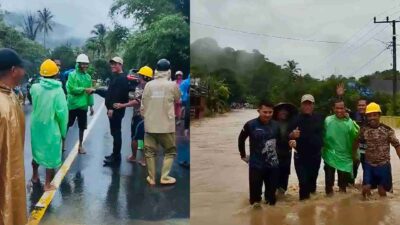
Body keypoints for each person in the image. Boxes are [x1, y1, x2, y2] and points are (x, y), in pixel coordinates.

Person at [141, 59, 181, 185]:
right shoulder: (172, 85)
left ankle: (152, 178)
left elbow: (144, 104)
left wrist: (146, 118)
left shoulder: (148, 85)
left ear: (156, 70)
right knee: (170, 151)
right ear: (169, 71)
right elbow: (178, 98)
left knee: (149, 152)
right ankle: (164, 177)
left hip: (150, 125)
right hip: (166, 126)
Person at [0, 48, 27, 225]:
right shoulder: (3, 102)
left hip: (12, 174)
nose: (24, 72)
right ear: (13, 70)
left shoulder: (10, 95)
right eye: (22, 68)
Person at [238, 100, 280, 207]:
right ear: (258, 111)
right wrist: (243, 155)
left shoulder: (276, 125)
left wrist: (291, 141)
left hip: (272, 165)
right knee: (255, 201)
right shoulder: (250, 124)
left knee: (271, 200)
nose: (267, 115)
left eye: (270, 112)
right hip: (256, 165)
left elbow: (281, 142)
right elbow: (241, 139)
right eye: (265, 112)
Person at [358, 102, 400, 198]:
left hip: (383, 165)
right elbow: (357, 142)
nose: (372, 117)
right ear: (366, 116)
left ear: (379, 115)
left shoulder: (387, 130)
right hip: (369, 165)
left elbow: (397, 145)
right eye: (369, 115)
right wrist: (353, 156)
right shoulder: (363, 129)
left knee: (383, 192)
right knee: (365, 189)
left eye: (375, 115)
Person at [113, 66, 153, 166]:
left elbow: (136, 101)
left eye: (140, 75)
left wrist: (122, 105)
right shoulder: (151, 87)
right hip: (148, 116)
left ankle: (137, 157)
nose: (138, 76)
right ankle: (141, 158)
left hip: (140, 116)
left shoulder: (142, 87)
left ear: (144, 76)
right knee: (145, 138)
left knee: (136, 137)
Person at [288, 94, 324, 200]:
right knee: (303, 184)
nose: (307, 106)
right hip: (300, 157)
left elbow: (338, 114)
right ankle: (303, 210)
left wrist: (340, 97)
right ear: (301, 105)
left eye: (309, 104)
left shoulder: (320, 117)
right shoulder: (295, 119)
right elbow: (287, 136)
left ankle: (310, 210)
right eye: (305, 104)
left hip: (316, 156)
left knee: (312, 185)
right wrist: (292, 135)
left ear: (313, 105)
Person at [322, 99, 359, 195]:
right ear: (333, 108)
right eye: (337, 108)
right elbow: (322, 136)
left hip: (345, 158)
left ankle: (342, 206)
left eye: (342, 108)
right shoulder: (328, 120)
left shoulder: (350, 123)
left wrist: (355, 156)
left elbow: (356, 139)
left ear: (345, 109)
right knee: (329, 184)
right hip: (330, 155)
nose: (339, 110)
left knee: (343, 187)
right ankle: (329, 206)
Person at [103, 56, 134, 166]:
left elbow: (119, 95)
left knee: (116, 133)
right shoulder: (116, 77)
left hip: (116, 110)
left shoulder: (122, 78)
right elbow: (110, 93)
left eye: (115, 64)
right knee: (114, 132)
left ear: (120, 65)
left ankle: (116, 157)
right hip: (113, 109)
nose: (112, 66)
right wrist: (95, 91)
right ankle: (115, 154)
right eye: (112, 64)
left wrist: (111, 108)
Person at [66, 54, 95, 154]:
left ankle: (80, 145)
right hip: (72, 105)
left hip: (83, 106)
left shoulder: (88, 77)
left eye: (86, 64)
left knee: (82, 127)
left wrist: (91, 106)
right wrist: (84, 89)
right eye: (83, 64)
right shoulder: (72, 75)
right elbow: (71, 89)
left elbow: (90, 92)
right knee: (67, 125)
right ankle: (62, 143)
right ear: (78, 64)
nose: (85, 66)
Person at [273, 103, 297, 195]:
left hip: (286, 153)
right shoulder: (271, 123)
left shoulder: (291, 123)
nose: (284, 112)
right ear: (277, 112)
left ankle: (282, 195)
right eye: (281, 110)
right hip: (274, 154)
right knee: (273, 175)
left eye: (285, 110)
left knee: (285, 174)